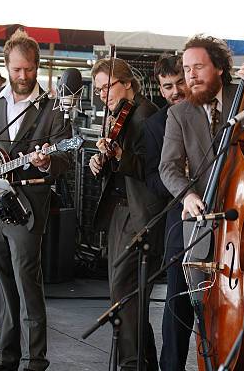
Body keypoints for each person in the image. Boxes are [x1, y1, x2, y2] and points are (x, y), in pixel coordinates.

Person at [159, 34, 244, 370]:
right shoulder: (180, 114)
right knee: (203, 314)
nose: (190, 75)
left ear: (220, 67)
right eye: (186, 69)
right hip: (200, 227)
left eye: (198, 67)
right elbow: (168, 167)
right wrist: (188, 195)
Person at [0, 29, 72, 371]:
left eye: (30, 69)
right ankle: (5, 357)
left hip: (27, 207)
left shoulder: (51, 108)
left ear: (38, 67)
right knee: (2, 281)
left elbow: (65, 154)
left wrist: (48, 160)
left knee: (26, 279)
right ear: (6, 66)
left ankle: (35, 359)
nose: (23, 76)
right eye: (17, 69)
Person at [89, 58, 162, 370]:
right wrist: (100, 163)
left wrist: (120, 154)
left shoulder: (147, 115)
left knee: (124, 290)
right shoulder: (114, 117)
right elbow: (116, 170)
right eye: (98, 90)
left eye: (107, 87)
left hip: (141, 211)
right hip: (121, 212)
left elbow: (153, 168)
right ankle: (143, 363)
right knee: (126, 293)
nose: (103, 94)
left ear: (128, 84)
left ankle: (133, 364)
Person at [140, 54, 191, 371]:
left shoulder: (211, 115)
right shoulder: (154, 125)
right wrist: (179, 183)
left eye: (180, 83)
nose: (175, 91)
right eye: (168, 86)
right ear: (160, 90)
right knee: (177, 302)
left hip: (225, 217)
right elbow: (151, 177)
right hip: (179, 219)